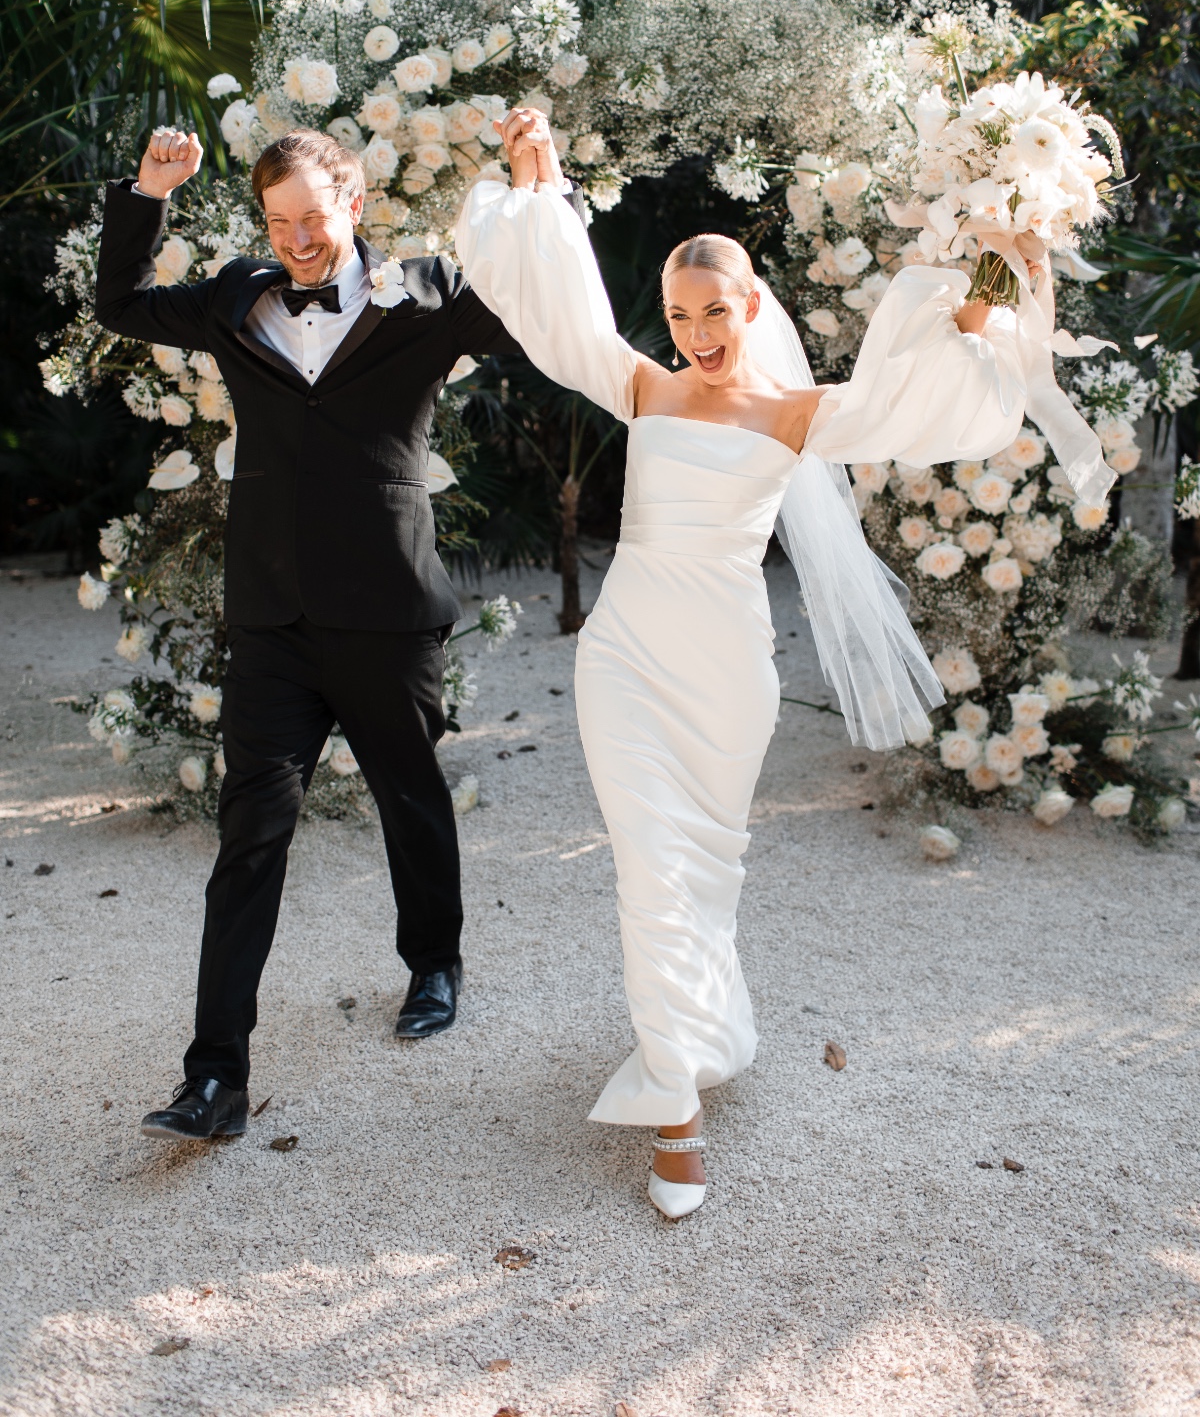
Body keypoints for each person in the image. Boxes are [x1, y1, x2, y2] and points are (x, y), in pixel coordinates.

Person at [457, 105, 1110, 1218]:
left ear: (751, 306)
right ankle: (675, 1113)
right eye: (678, 314)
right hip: (625, 658)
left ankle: (704, 1035)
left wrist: (994, 287)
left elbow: (928, 397)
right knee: (649, 872)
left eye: (715, 310)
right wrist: (541, 179)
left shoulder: (803, 413)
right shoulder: (643, 387)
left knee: (704, 874)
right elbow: (558, 316)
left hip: (726, 673)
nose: (698, 333)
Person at [95, 126, 519, 1141]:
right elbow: (117, 305)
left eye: (311, 219)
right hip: (274, 623)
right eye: (277, 221)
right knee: (251, 835)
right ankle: (214, 1079)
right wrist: (149, 195)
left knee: (410, 801)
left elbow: (545, 322)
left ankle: (433, 962)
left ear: (355, 205)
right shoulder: (237, 299)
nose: (294, 239)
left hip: (385, 612)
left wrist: (535, 197)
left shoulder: (431, 295)